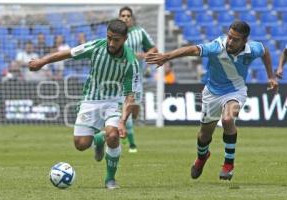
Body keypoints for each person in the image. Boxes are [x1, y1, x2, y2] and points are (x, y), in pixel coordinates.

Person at [146, 21, 278, 180]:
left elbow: (265, 52)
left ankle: (228, 163)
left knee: (228, 119)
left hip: (236, 91)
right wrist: (167, 56)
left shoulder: (253, 49)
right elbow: (192, 49)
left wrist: (270, 76)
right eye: (229, 36)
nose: (230, 41)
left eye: (235, 39)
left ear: (244, 41)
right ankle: (202, 157)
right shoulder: (217, 47)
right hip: (212, 94)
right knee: (204, 135)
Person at [28, 19, 140, 189]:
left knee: (113, 135)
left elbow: (130, 96)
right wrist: (42, 61)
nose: (111, 42)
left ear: (124, 39)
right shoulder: (96, 47)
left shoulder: (131, 62)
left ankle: (110, 179)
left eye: (115, 40)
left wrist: (123, 121)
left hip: (113, 102)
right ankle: (98, 139)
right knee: (81, 145)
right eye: (109, 37)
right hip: (91, 99)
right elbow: (68, 53)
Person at [118, 6, 158, 153]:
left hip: (136, 78)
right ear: (119, 18)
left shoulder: (140, 32)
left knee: (134, 111)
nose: (126, 18)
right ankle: (132, 143)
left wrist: (144, 56)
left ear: (132, 18)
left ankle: (125, 127)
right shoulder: (115, 34)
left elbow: (153, 49)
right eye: (123, 15)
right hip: (118, 78)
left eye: (128, 15)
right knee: (125, 109)